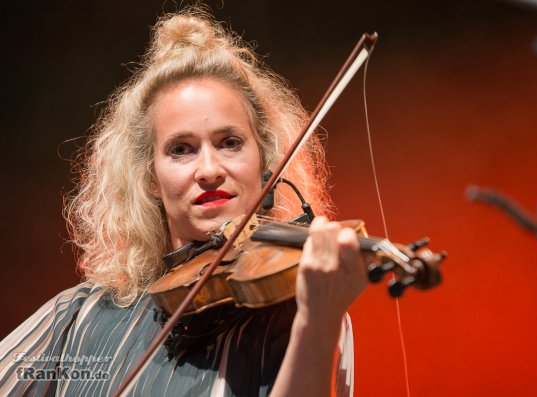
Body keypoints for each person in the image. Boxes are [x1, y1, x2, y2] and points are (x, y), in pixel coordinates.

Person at [0, 6, 368, 397]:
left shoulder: (299, 315)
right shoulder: (79, 319)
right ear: (150, 179)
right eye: (181, 149)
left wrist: (317, 323)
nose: (209, 169)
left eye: (230, 143)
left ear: (265, 165)